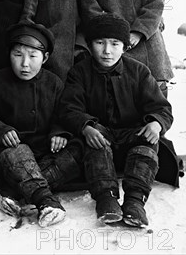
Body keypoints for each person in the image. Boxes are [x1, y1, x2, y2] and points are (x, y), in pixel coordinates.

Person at [58, 14, 178, 227]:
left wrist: (156, 123)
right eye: (99, 43)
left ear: (124, 46)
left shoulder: (139, 71)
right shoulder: (80, 72)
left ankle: (135, 201)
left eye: (115, 44)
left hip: (132, 137)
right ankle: (107, 198)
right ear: (89, 44)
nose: (107, 51)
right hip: (101, 138)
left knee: (148, 142)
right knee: (95, 142)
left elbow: (161, 108)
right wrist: (86, 127)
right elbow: (69, 108)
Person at [0, 22, 82, 227]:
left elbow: (65, 114)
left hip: (45, 153)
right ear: (9, 54)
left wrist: (60, 132)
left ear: (45, 58)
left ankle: (10, 192)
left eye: (33, 56)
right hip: (11, 152)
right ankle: (45, 201)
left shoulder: (54, 83)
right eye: (18, 55)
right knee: (17, 151)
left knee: (78, 150)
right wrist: (1, 130)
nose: (25, 64)